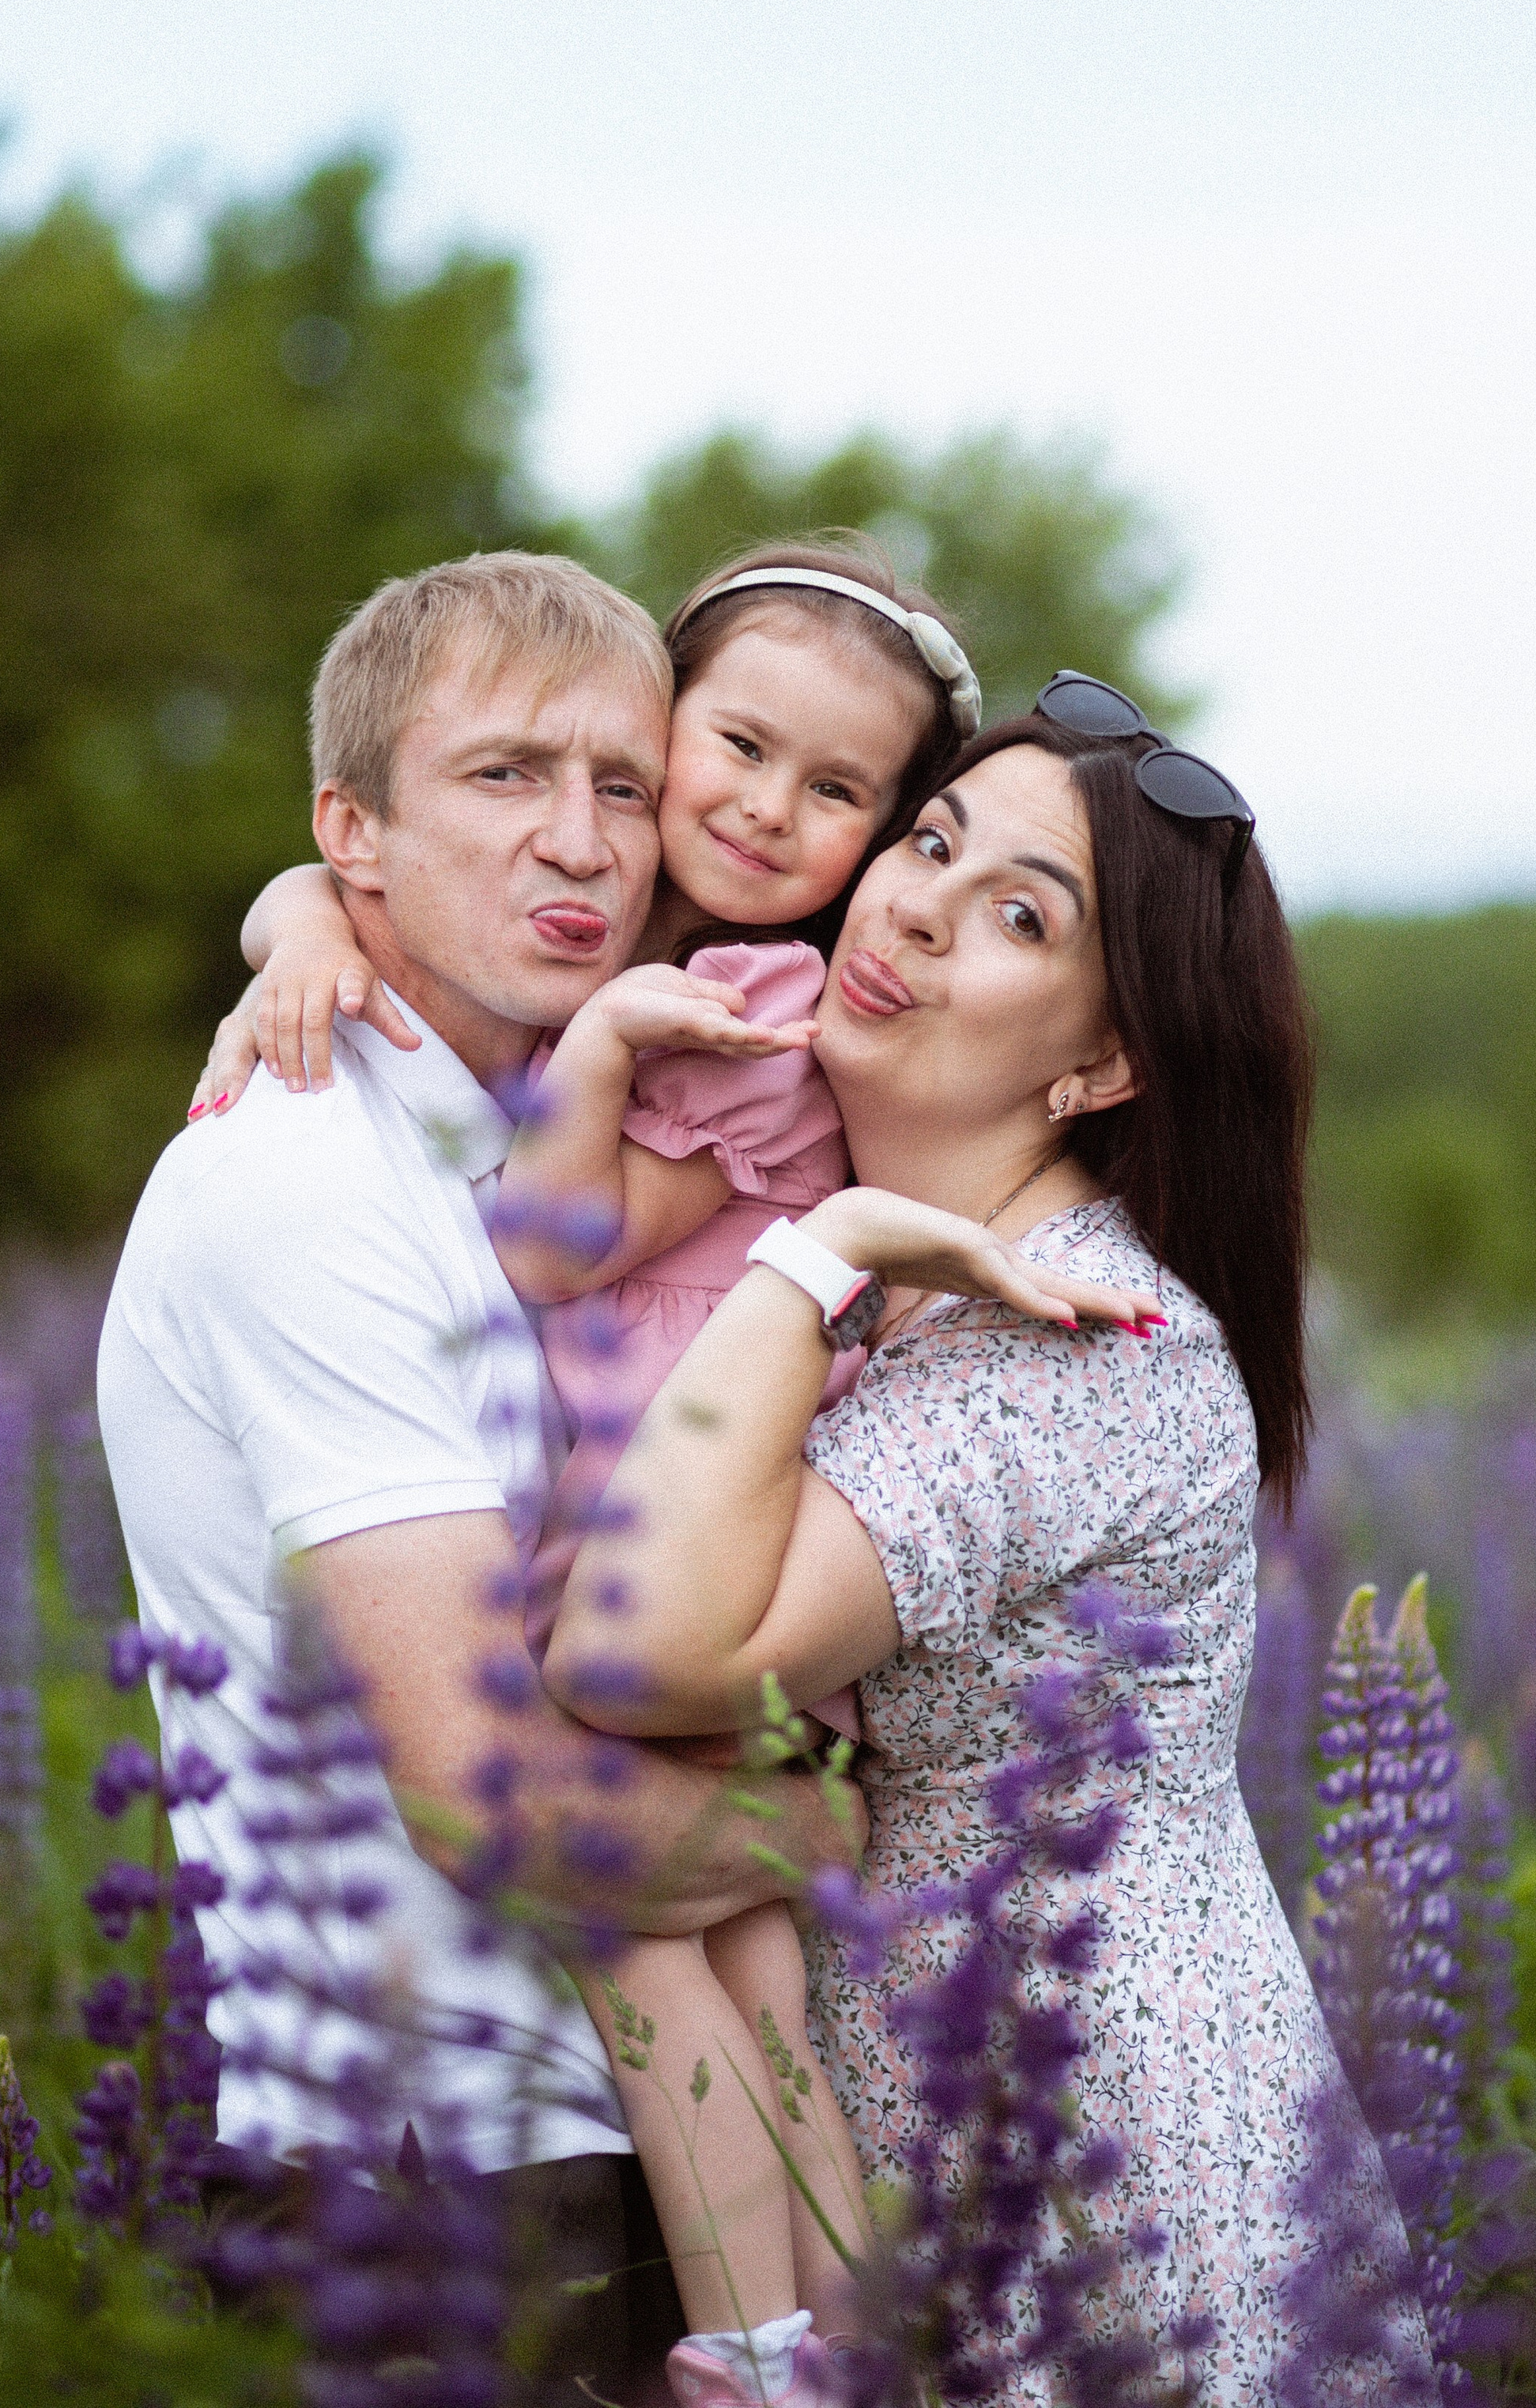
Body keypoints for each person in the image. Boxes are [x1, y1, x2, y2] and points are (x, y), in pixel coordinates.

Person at [542, 683, 1432, 2400]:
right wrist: (300, 930)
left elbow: (630, 1647)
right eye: (930, 843)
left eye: (1019, 912)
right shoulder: (934, 1289)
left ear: (1100, 1062)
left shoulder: (1075, 1345)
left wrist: (819, 1245)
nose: (919, 904)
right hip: (928, 2159)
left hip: (1092, 2197)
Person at [188, 540, 987, 2399]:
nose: (755, 811)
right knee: (764, 1972)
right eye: (721, 755)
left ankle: (761, 2344)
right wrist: (300, 917)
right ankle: (853, 2340)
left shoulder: (740, 1014)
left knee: (661, 1968)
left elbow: (554, 1244)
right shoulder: (568, 988)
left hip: (662, 1543)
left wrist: (616, 1040)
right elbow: (340, 864)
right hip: (667, 1542)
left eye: (833, 791)